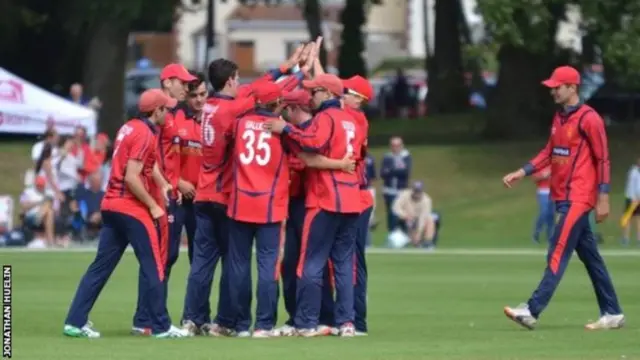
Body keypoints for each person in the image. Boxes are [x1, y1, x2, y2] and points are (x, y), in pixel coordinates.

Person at [182, 49, 307, 336]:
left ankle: (193, 319)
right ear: (229, 81)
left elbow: (258, 89)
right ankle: (237, 322)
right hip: (229, 195)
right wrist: (299, 72)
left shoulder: (209, 107)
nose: (241, 85)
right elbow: (264, 94)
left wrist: (286, 66)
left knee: (203, 262)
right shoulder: (234, 112)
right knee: (240, 264)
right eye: (237, 79)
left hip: (203, 192)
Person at [502, 65, 624, 330]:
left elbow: (603, 159)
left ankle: (532, 310)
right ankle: (612, 312)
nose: (553, 91)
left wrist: (603, 197)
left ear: (573, 88)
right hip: (562, 197)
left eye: (558, 87)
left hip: (579, 198)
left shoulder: (589, 119)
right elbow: (549, 151)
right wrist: (521, 172)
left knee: (557, 249)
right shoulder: (559, 118)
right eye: (552, 87)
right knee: (591, 257)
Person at [63, 89, 190, 338]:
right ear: (156, 111)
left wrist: (163, 183)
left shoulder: (129, 127)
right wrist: (153, 206)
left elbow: (146, 164)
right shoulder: (146, 133)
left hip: (110, 206)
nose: (169, 113)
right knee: (154, 265)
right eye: (166, 109)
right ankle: (161, 326)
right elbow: (132, 177)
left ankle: (74, 322)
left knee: (100, 267)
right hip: (131, 208)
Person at [265, 73, 361, 337]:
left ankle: (306, 322)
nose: (311, 97)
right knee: (342, 264)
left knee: (311, 262)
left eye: (315, 91)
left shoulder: (326, 118)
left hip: (325, 197)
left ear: (328, 94)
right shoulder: (350, 120)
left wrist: (285, 129)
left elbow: (313, 143)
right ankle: (346, 323)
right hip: (350, 199)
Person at [131, 63, 196, 336]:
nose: (186, 87)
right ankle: (151, 319)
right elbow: (153, 157)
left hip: (168, 193)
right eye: (182, 82)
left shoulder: (174, 112)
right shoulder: (159, 115)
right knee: (160, 256)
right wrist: (169, 184)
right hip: (161, 195)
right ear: (167, 81)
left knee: (164, 257)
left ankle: (146, 317)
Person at [223, 81, 291, 338]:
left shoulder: (239, 123)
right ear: (276, 103)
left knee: (239, 265)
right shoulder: (281, 129)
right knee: (267, 266)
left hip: (241, 202)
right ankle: (263, 325)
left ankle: (240, 324)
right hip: (270, 205)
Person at [342, 75, 374, 336]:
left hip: (358, 197)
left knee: (353, 260)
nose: (340, 95)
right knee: (348, 259)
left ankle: (357, 319)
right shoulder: (349, 116)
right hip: (352, 194)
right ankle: (348, 317)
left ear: (358, 99)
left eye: (346, 91)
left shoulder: (356, 120)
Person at [173, 71, 207, 267]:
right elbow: (163, 158)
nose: (199, 100)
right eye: (194, 95)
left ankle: (198, 299)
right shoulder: (175, 118)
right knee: (168, 255)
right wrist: (177, 182)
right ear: (186, 95)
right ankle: (158, 298)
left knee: (199, 258)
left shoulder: (213, 119)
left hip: (201, 198)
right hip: (176, 196)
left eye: (203, 94)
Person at [392, 180, 436, 248]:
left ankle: (428, 242)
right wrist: (405, 215)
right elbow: (395, 208)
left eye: (419, 192)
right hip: (405, 218)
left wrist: (419, 232)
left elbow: (423, 217)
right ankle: (413, 241)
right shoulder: (404, 195)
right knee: (409, 222)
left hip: (418, 219)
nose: (417, 194)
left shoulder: (426, 200)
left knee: (430, 220)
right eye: (415, 191)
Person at [381, 136, 411, 232]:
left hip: (402, 190)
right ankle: (392, 234)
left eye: (398, 145)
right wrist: (397, 169)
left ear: (401, 146)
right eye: (393, 145)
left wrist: (391, 170)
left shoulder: (406, 157)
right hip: (389, 190)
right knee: (391, 213)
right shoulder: (387, 157)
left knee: (403, 213)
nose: (395, 147)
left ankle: (404, 235)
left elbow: (405, 173)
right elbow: (383, 173)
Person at [20, 176, 55, 248]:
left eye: (42, 186)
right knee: (48, 211)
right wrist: (38, 202)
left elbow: (54, 206)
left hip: (43, 216)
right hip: (31, 216)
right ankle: (50, 241)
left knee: (49, 212)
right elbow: (24, 206)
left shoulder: (49, 193)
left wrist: (43, 208)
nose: (40, 187)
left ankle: (40, 216)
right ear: (35, 185)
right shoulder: (27, 192)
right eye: (39, 185)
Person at [532, 166, 554, 244]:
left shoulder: (555, 164)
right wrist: (543, 176)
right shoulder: (539, 165)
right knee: (544, 213)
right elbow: (534, 178)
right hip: (543, 192)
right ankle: (536, 233)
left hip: (553, 192)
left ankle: (550, 237)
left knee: (551, 215)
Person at [621, 158, 640, 245]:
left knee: (638, 218)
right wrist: (633, 198)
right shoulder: (634, 172)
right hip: (632, 198)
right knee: (627, 218)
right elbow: (632, 186)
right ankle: (626, 238)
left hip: (637, 198)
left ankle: (638, 238)